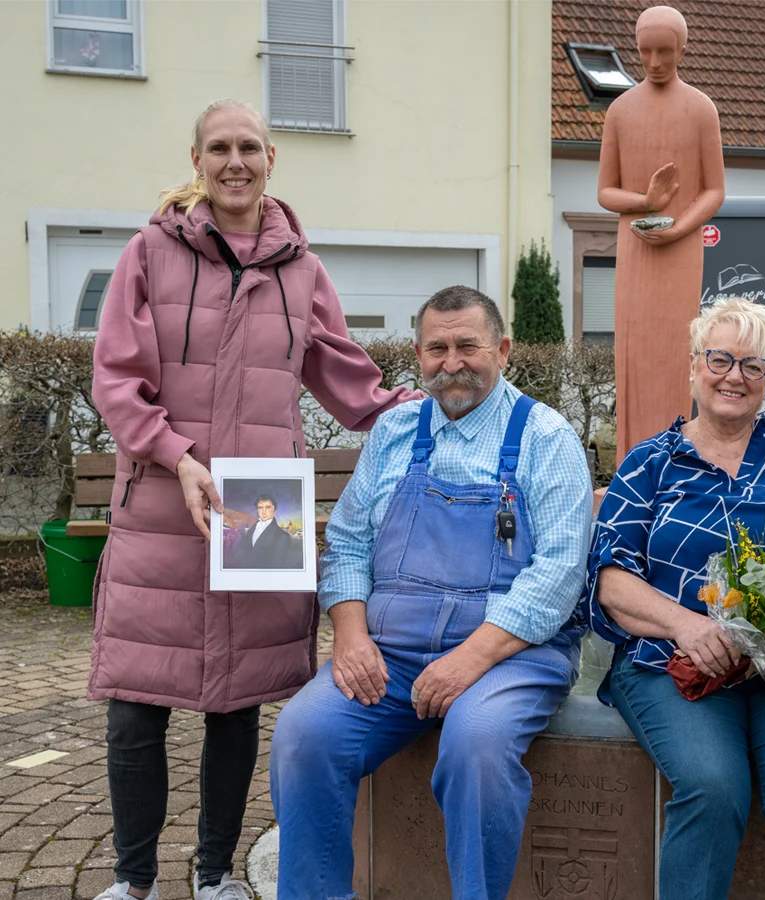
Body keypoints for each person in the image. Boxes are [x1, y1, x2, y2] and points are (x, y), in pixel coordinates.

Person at [89, 99, 420, 900]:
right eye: (218, 149)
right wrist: (177, 456)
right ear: (197, 160)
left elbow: (349, 379)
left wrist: (434, 406)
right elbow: (116, 381)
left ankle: (213, 876)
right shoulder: (148, 252)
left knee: (235, 704)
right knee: (136, 706)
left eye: (248, 147)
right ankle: (133, 883)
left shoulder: (303, 269)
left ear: (271, 157)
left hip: (263, 505)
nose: (234, 161)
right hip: (166, 502)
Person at [270, 286, 594, 900]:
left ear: (501, 350)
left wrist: (468, 660)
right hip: (389, 654)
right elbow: (346, 544)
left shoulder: (546, 437)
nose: (453, 362)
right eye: (437, 348)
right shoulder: (394, 431)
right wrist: (350, 632)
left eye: (468, 346)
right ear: (417, 355)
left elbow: (557, 575)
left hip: (511, 655)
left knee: (476, 746)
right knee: (303, 736)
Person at [587, 297, 765, 900]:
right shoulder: (649, 463)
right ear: (695, 366)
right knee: (713, 786)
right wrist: (687, 627)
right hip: (673, 665)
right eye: (720, 360)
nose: (734, 377)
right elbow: (612, 581)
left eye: (753, 366)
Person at [597, 4, 725, 459]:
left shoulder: (700, 109)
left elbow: (713, 191)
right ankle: (633, 461)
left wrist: (679, 229)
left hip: (681, 250)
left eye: (664, 51)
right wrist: (645, 204)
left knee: (675, 352)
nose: (654, 62)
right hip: (636, 249)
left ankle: (675, 459)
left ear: (682, 49)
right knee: (633, 351)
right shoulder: (620, 110)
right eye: (645, 51)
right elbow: (605, 192)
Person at [229, 495, 302, 569]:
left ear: (274, 510)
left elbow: (277, 566)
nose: (263, 511)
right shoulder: (251, 530)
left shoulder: (282, 536)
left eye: (267, 507)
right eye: (260, 507)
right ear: (257, 510)